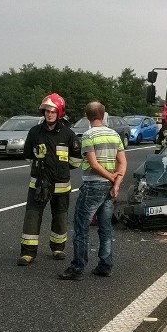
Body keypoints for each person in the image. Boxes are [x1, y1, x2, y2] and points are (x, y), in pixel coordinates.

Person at [59, 101, 127, 281]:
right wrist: (116, 182)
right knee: (105, 227)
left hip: (93, 186)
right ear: (104, 115)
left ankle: (77, 267)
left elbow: (94, 164)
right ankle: (105, 265)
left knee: (81, 227)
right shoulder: (114, 135)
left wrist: (112, 178)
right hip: (109, 187)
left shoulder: (88, 136)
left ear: (87, 116)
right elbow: (123, 162)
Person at [18, 93, 82, 266]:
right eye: (46, 111)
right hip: (38, 184)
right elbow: (28, 155)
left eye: (52, 111)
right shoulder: (35, 132)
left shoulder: (68, 134)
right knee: (32, 215)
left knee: (60, 216)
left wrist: (60, 169)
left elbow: (76, 160)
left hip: (61, 185)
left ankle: (58, 248)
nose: (49, 114)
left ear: (59, 112)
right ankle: (28, 253)